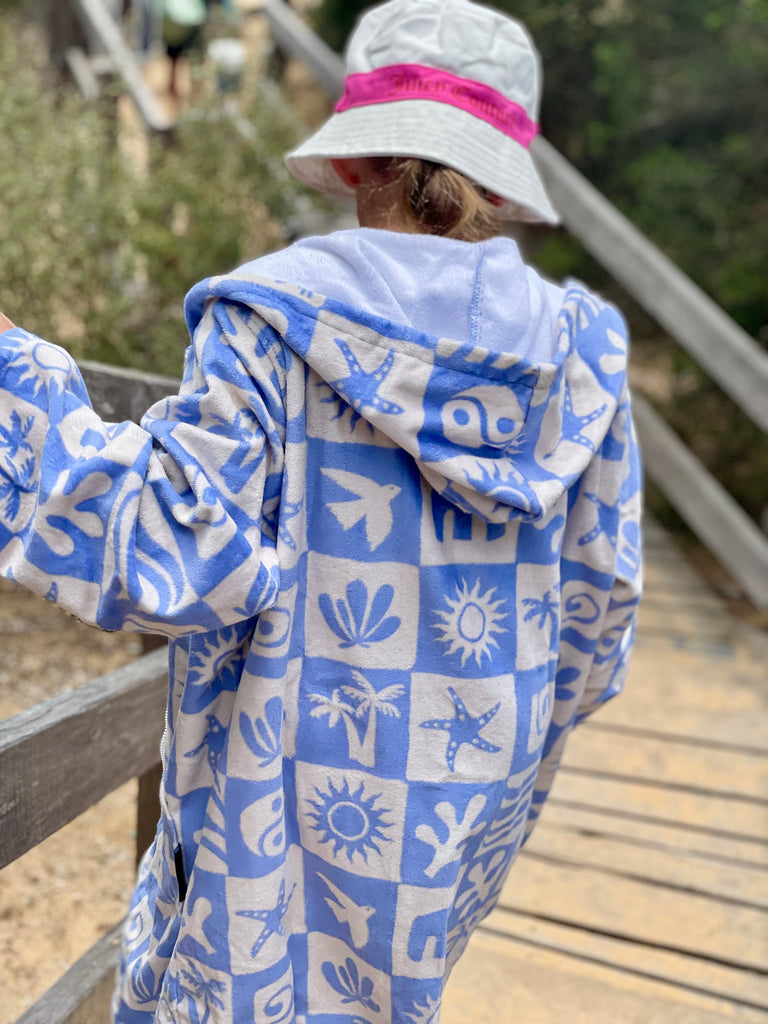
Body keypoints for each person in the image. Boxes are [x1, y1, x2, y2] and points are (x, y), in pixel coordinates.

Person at [0, 0, 642, 1020]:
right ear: (499, 187)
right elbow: (600, 615)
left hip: (266, 847)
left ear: (351, 163)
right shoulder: (584, 354)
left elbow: (170, 552)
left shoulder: (270, 324)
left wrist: (16, 376)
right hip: (443, 842)